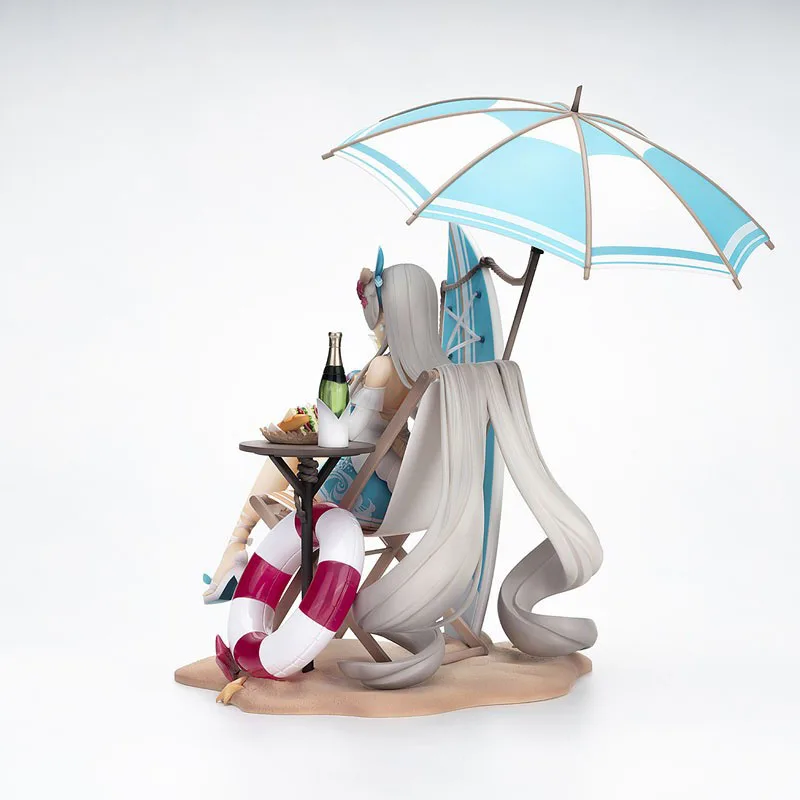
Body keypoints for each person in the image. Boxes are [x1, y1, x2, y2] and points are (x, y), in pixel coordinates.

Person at [202, 256, 449, 603]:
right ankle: (235, 551)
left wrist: (321, 418)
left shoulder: (383, 367)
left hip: (366, 491)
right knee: (291, 452)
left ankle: (235, 549)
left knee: (288, 453)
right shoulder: (427, 368)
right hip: (400, 492)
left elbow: (352, 432)